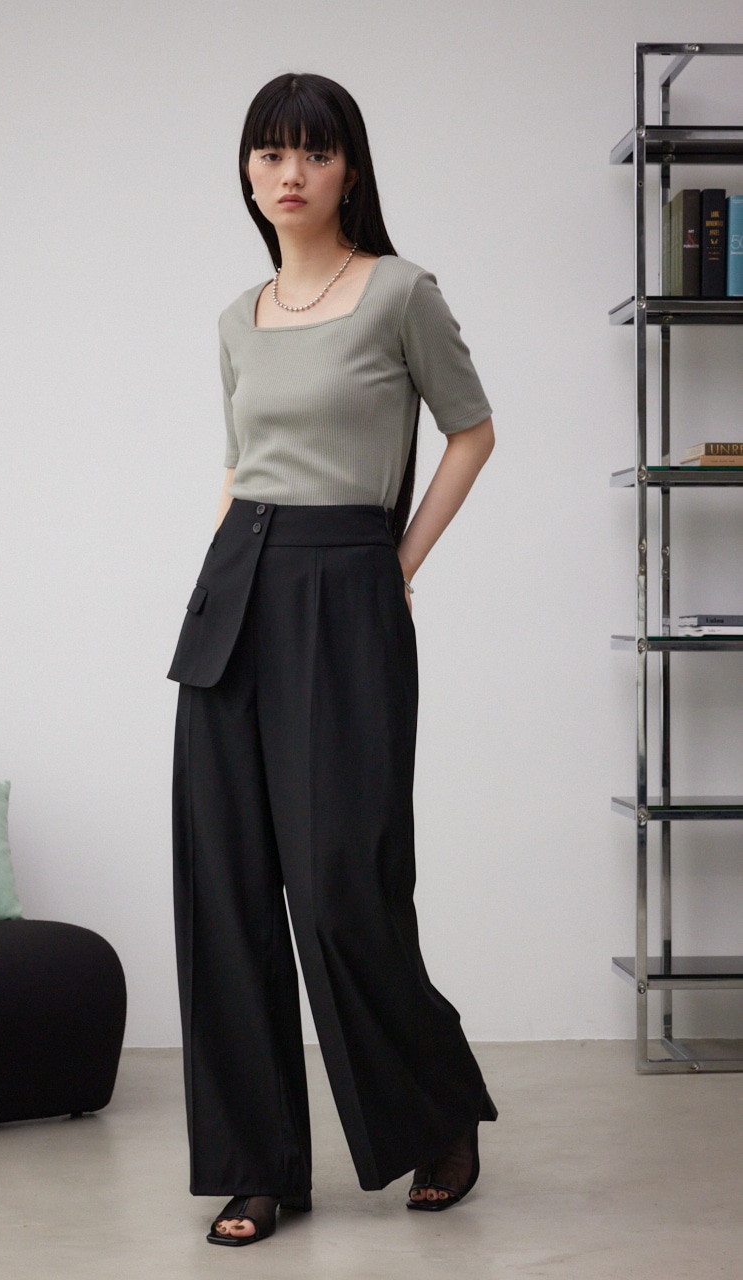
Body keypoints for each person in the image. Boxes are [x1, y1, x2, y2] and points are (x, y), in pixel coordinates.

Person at [167, 71, 497, 1248]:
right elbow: (237, 466)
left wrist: (395, 561)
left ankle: (439, 1112)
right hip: (235, 592)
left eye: (312, 151)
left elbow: (472, 431)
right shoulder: (234, 318)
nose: (289, 173)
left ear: (349, 168)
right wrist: (215, 587)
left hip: (343, 587)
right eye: (269, 153)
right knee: (225, 891)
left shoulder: (400, 293)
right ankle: (258, 1166)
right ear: (248, 172)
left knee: (343, 884)